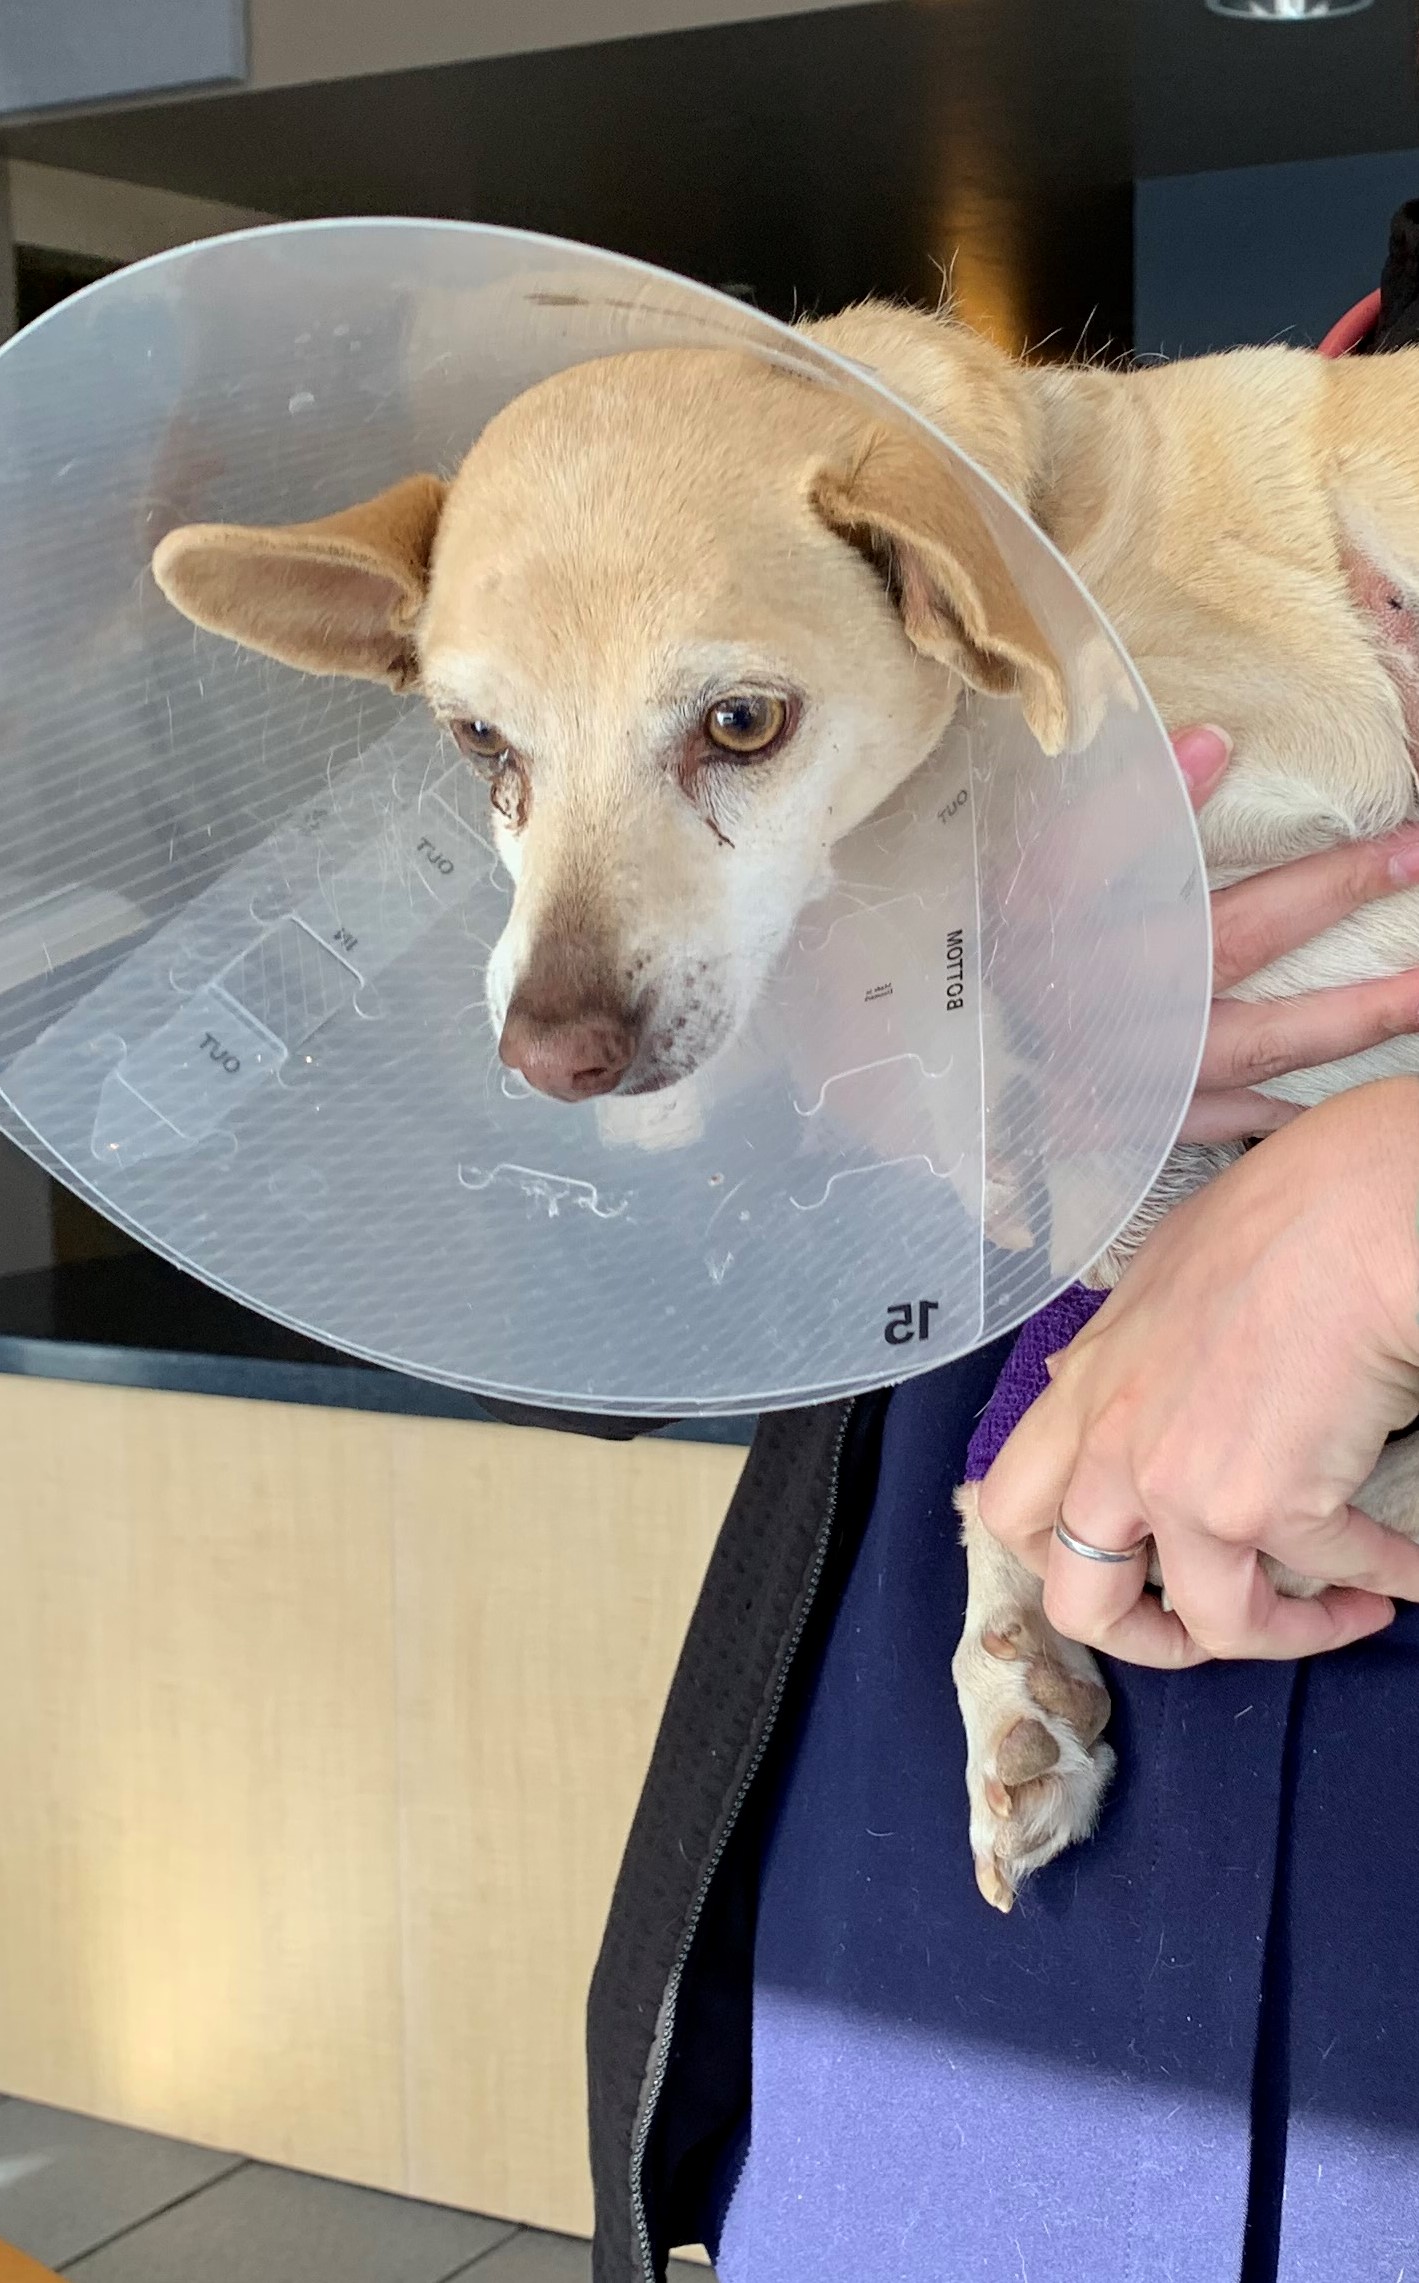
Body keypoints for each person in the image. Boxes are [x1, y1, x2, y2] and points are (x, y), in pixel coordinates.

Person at [500, 217, 1419, 2283]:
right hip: (942, 1949)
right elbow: (552, 1316)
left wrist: (1384, 1200)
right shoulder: (934, 514)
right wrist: (852, 1070)